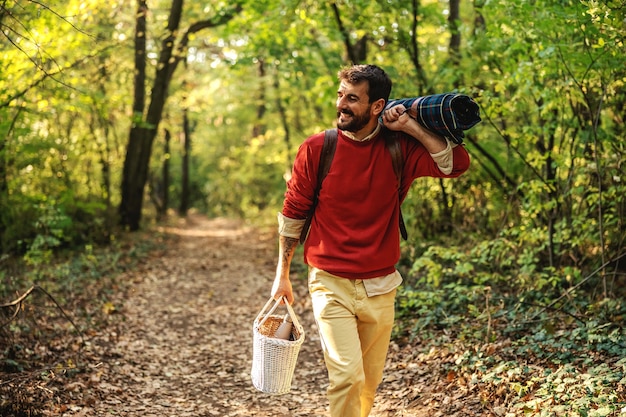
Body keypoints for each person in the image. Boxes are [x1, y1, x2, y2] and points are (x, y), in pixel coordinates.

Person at [271, 64, 470, 417]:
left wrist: (409, 125)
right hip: (330, 282)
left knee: (367, 383)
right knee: (347, 376)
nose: (341, 105)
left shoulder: (399, 148)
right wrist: (282, 274)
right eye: (340, 95)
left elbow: (453, 164)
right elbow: (293, 212)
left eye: (352, 99)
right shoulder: (318, 148)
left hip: (381, 286)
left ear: (377, 106)